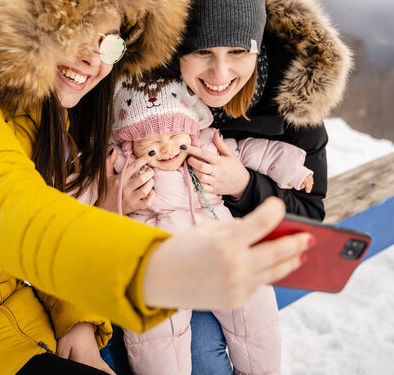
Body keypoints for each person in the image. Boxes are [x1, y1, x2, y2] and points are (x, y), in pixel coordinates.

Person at [0, 0, 313, 374]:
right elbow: (4, 205)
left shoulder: (56, 115)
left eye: (110, 44)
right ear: (28, 17)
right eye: (75, 30)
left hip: (15, 316)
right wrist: (149, 268)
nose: (92, 59)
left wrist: (76, 316)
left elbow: (58, 216)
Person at [106, 0, 353, 374]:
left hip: (231, 260)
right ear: (178, 51)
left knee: (220, 351)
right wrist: (116, 197)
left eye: (238, 51)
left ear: (256, 47)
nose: (220, 72)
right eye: (202, 51)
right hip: (158, 256)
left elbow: (308, 214)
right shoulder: (149, 96)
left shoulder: (290, 108)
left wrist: (244, 185)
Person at [107, 72, 315, 375]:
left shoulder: (207, 149)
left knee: (253, 301)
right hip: (161, 268)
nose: (166, 149)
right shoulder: (121, 167)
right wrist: (111, 201)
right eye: (151, 142)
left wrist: (293, 168)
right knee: (156, 331)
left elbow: (252, 152)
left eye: (174, 137)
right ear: (129, 144)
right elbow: (81, 194)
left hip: (218, 252)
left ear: (190, 131)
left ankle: (260, 371)